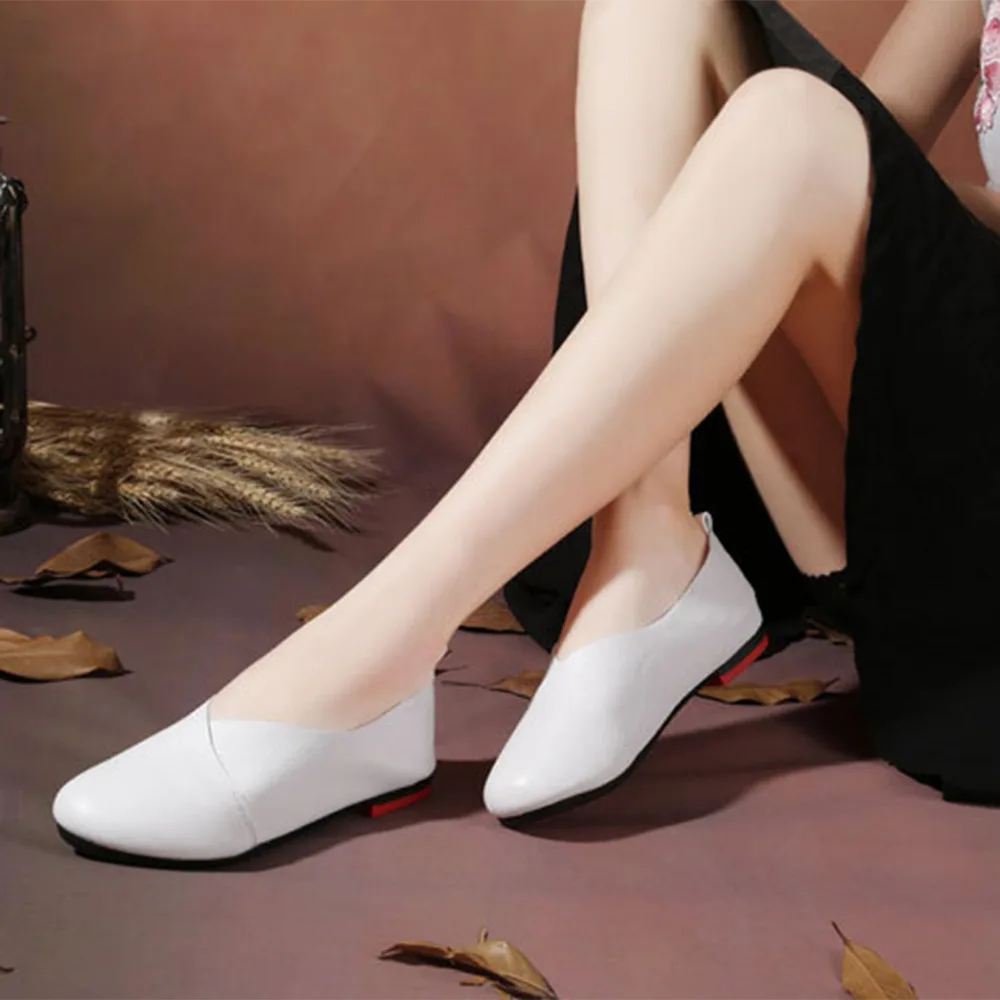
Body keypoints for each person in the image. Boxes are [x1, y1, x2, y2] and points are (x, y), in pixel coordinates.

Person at [50, 0, 1000, 866]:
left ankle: (372, 656)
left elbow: (826, 156)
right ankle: (646, 546)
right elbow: (881, 170)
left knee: (790, 128)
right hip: (933, 453)